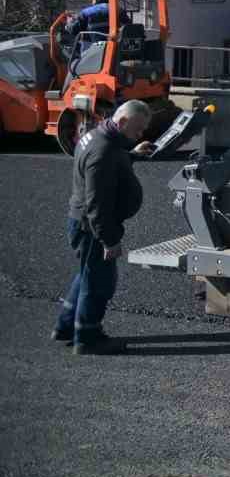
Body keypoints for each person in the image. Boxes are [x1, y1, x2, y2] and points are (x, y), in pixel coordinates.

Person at [53, 100, 155, 355]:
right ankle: (88, 337)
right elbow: (96, 204)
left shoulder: (99, 136)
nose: (140, 135)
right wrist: (109, 240)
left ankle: (66, 326)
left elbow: (112, 160)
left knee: (87, 274)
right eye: (137, 130)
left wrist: (132, 154)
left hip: (84, 223)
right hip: (92, 228)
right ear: (121, 123)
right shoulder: (103, 152)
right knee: (99, 282)